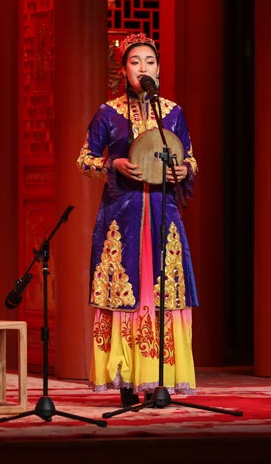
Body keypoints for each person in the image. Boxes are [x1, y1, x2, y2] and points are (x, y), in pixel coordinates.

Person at [76, 32, 198, 407]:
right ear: (124, 70)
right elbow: (83, 159)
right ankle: (126, 380)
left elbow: (190, 158)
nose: (143, 67)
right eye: (135, 62)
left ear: (158, 70)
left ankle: (163, 378)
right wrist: (112, 164)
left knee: (163, 293)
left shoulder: (172, 113)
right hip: (122, 216)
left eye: (149, 61)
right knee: (125, 292)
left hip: (164, 214)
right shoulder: (108, 112)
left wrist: (184, 170)